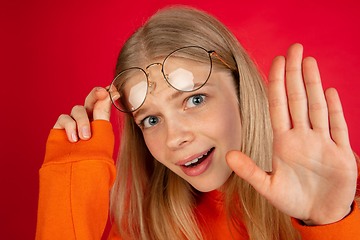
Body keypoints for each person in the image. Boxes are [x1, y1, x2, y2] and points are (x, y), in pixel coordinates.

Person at [36, 6, 360, 240]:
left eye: (195, 100)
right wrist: (72, 172)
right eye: (151, 119)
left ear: (241, 90)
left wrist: (332, 224)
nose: (174, 138)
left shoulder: (343, 194)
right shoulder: (142, 232)